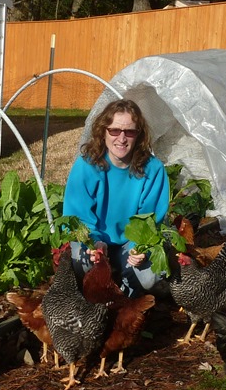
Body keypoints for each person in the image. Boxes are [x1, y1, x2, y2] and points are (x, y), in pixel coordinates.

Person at [63, 99, 170, 298]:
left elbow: (149, 220)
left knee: (149, 277)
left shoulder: (153, 169)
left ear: (139, 135)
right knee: (81, 260)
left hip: (129, 242)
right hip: (95, 238)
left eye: (129, 131)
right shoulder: (86, 166)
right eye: (114, 130)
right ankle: (90, 296)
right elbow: (76, 216)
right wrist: (94, 241)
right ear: (103, 132)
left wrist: (140, 248)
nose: (121, 138)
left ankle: (127, 292)